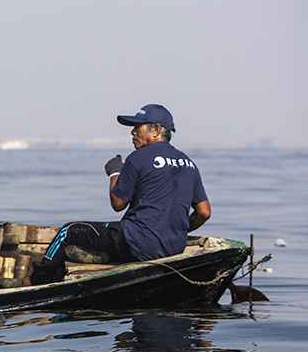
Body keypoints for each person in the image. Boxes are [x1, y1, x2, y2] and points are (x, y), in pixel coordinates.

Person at [31, 104, 211, 285]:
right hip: (174, 248)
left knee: (67, 231)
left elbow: (118, 204)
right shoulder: (189, 164)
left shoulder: (138, 157)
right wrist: (174, 230)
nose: (132, 132)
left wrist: (115, 172)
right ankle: (99, 258)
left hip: (136, 244)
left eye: (137, 127)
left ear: (155, 130)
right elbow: (204, 212)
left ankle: (35, 281)